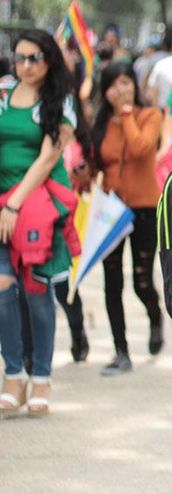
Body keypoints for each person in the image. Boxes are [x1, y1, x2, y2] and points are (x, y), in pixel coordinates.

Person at [0, 29, 80, 417]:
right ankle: (12, 375)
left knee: (36, 290)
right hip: (2, 203)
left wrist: (14, 203)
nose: (26, 66)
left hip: (35, 206)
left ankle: (41, 378)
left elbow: (49, 158)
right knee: (2, 286)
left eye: (34, 58)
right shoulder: (2, 93)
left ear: (48, 59)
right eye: (20, 58)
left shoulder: (60, 101)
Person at [91, 61, 165, 375]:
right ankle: (121, 351)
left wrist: (125, 114)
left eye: (125, 82)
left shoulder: (150, 116)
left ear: (134, 84)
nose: (120, 90)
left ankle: (154, 314)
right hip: (111, 211)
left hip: (144, 208)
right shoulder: (100, 123)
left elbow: (140, 148)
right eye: (113, 85)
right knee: (112, 283)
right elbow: (96, 162)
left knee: (141, 281)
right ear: (104, 91)